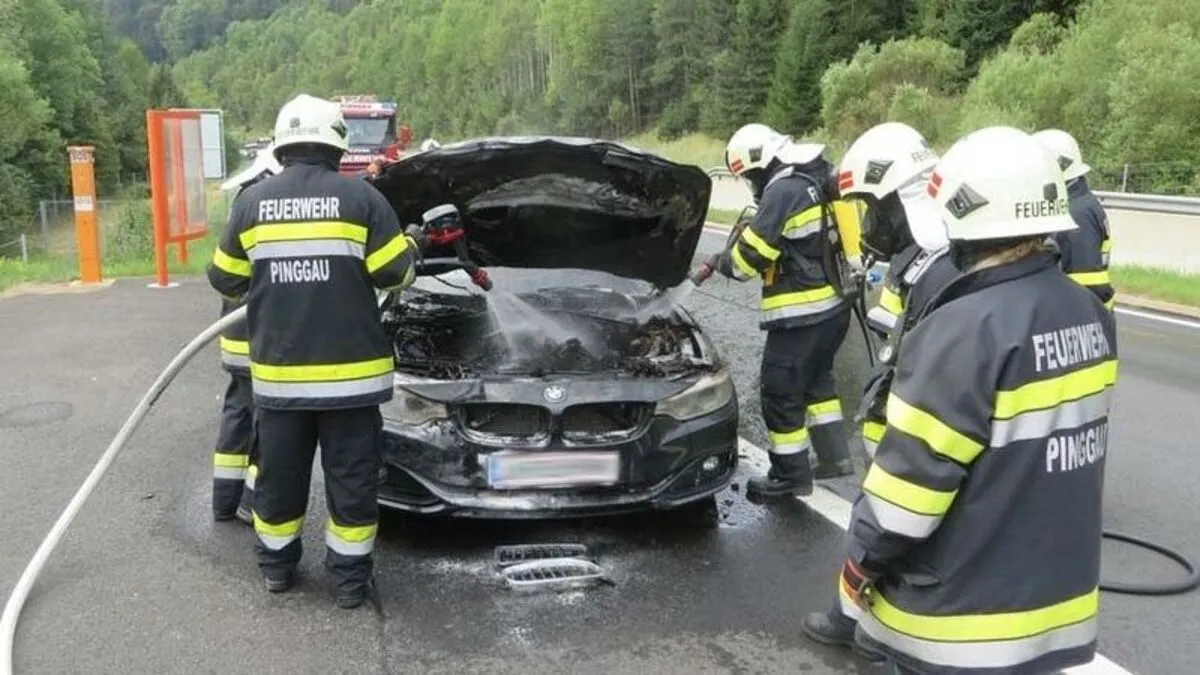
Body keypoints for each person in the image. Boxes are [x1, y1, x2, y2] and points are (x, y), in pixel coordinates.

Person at [837, 126, 1118, 674]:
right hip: (1055, 609)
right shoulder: (1090, 314)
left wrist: (857, 566)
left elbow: (905, 501)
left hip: (957, 623)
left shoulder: (962, 330)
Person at [207, 93, 424, 609]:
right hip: (353, 385)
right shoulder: (363, 199)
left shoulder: (252, 203)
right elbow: (396, 275)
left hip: (281, 382)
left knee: (279, 480)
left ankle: (277, 571)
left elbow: (225, 279)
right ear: (336, 143)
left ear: (282, 144)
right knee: (352, 485)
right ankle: (349, 584)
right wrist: (413, 246)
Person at [801, 121, 961, 661]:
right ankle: (856, 617)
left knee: (888, 531)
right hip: (898, 432)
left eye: (873, 208)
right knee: (880, 528)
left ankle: (866, 628)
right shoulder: (923, 258)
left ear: (902, 201)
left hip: (914, 442)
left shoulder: (940, 268)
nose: (870, 223)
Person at [695, 123, 854, 499]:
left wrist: (722, 261)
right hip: (833, 308)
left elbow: (747, 261)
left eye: (750, 175)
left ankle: (790, 474)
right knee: (817, 384)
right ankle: (836, 459)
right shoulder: (814, 176)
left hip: (802, 313)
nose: (752, 183)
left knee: (779, 390)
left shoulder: (782, 190)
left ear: (760, 163)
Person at [210, 145, 283, 525]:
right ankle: (253, 502)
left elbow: (224, 274)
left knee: (238, 415)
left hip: (235, 333)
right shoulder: (269, 205)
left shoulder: (245, 201)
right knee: (269, 424)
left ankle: (224, 501)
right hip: (260, 336)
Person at [1032, 129, 1115, 309]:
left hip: (1085, 314)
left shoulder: (1076, 215)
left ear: (1056, 167)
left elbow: (1085, 284)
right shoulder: (1077, 204)